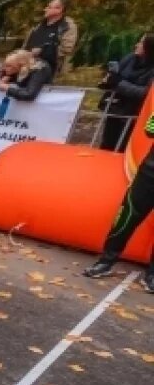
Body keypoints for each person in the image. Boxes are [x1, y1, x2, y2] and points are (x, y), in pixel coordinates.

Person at [82, 112, 154, 292]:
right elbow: (150, 129)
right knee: (127, 216)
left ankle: (152, 275)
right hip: (150, 173)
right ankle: (105, 262)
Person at [97, 34, 154, 152]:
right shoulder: (130, 58)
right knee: (107, 144)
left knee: (123, 147)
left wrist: (119, 83)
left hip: (134, 113)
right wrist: (108, 80)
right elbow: (116, 75)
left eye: (141, 43)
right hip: (115, 107)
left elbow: (147, 93)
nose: (136, 45)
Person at [23, 0, 78, 76]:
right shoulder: (38, 24)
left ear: (59, 10)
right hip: (27, 67)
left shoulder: (67, 26)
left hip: (50, 71)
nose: (45, 9)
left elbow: (66, 49)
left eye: (49, 7)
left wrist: (42, 51)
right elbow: (26, 45)